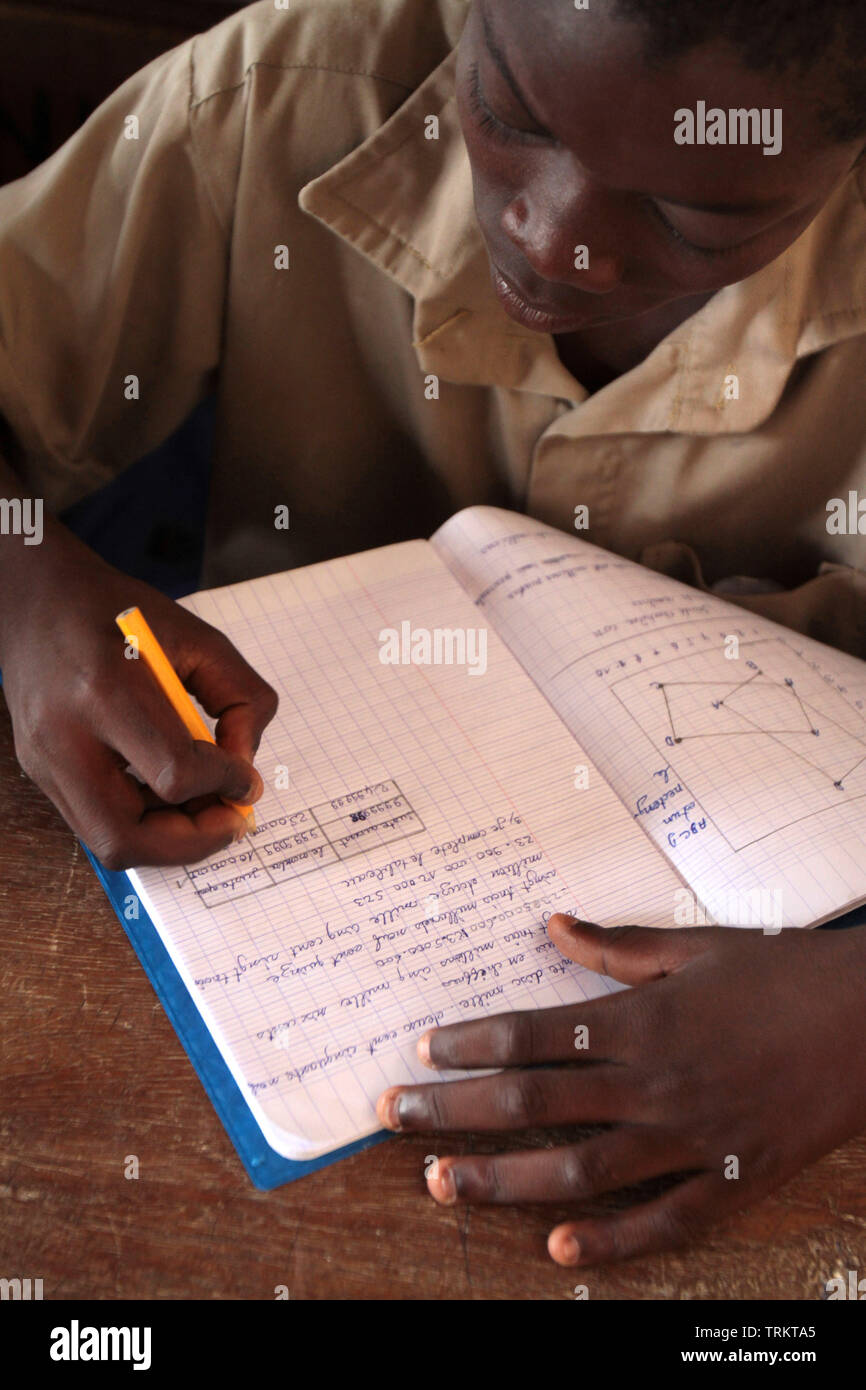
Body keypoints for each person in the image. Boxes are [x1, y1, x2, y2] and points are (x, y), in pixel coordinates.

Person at [0, 0, 864, 1267]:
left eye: (696, 215)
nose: (551, 237)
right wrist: (22, 584)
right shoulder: (278, 96)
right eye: (508, 115)